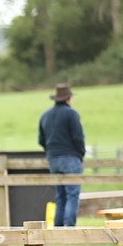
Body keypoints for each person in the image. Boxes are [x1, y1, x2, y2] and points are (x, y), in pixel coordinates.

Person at [38, 83, 85, 227]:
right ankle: (69, 227)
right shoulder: (72, 114)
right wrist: (80, 154)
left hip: (53, 159)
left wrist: (51, 153)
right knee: (72, 194)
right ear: (68, 98)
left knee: (60, 195)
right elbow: (78, 138)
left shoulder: (45, 115)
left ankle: (58, 226)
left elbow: (41, 140)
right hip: (70, 158)